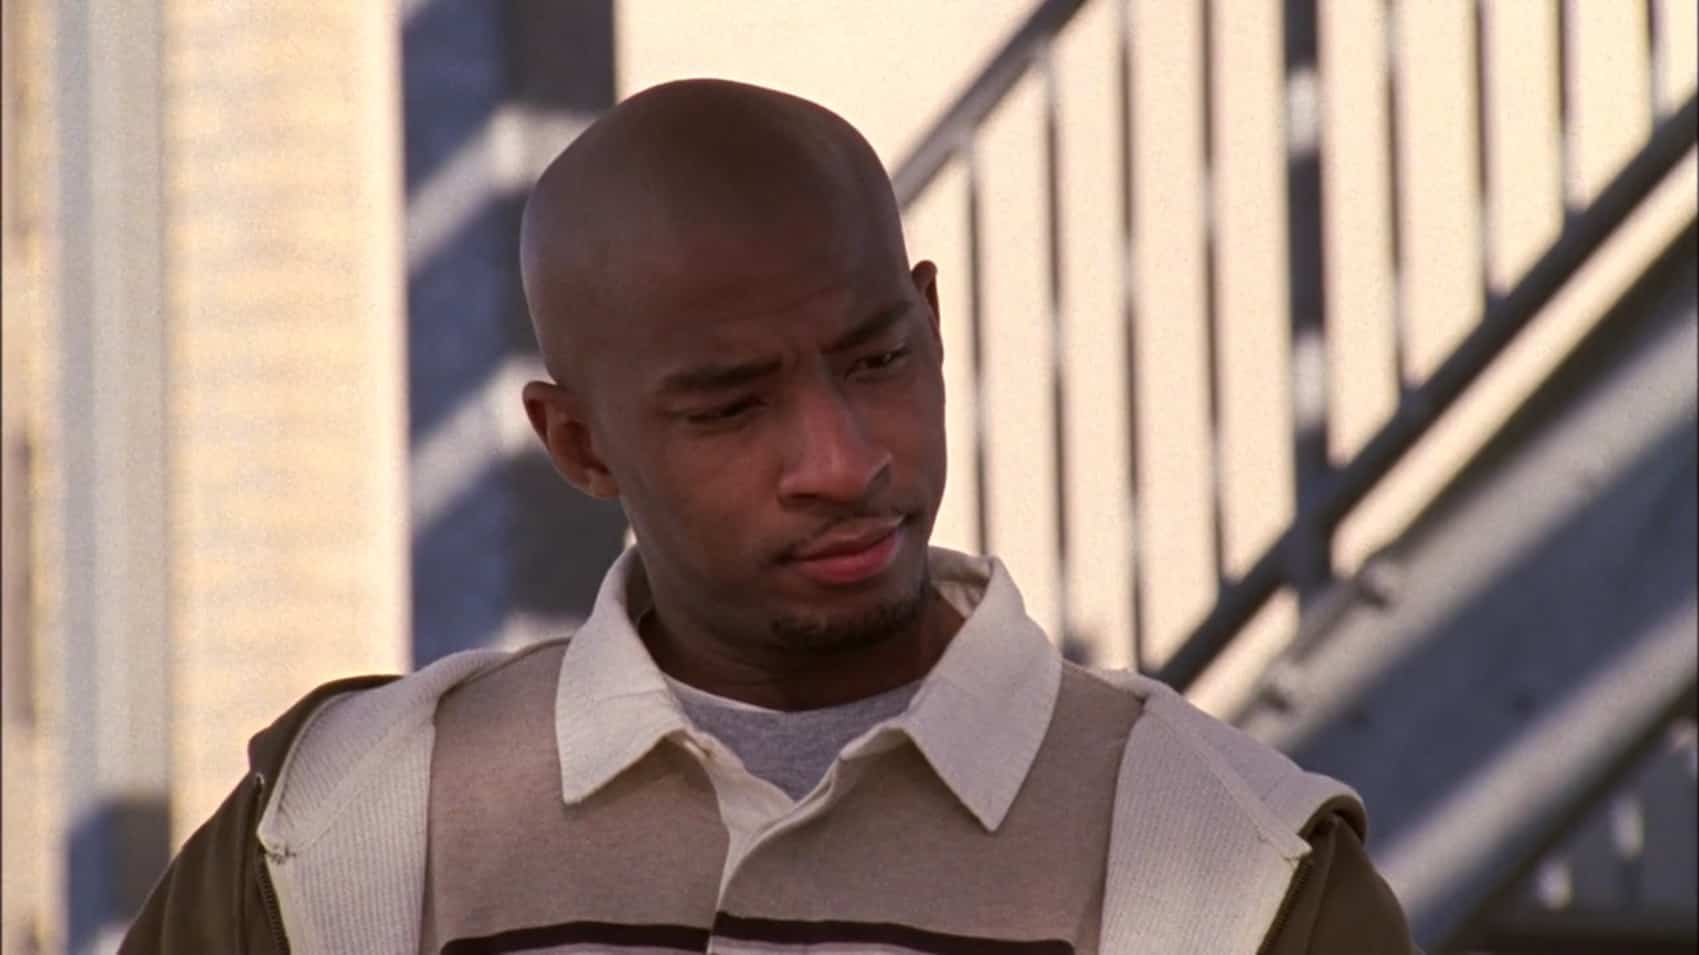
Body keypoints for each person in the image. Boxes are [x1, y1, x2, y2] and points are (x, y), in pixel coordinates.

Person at [122, 78, 1415, 954]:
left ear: (934, 322)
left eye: (875, 361)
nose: (843, 461)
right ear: (580, 445)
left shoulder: (1240, 874)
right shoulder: (337, 832)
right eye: (732, 408)